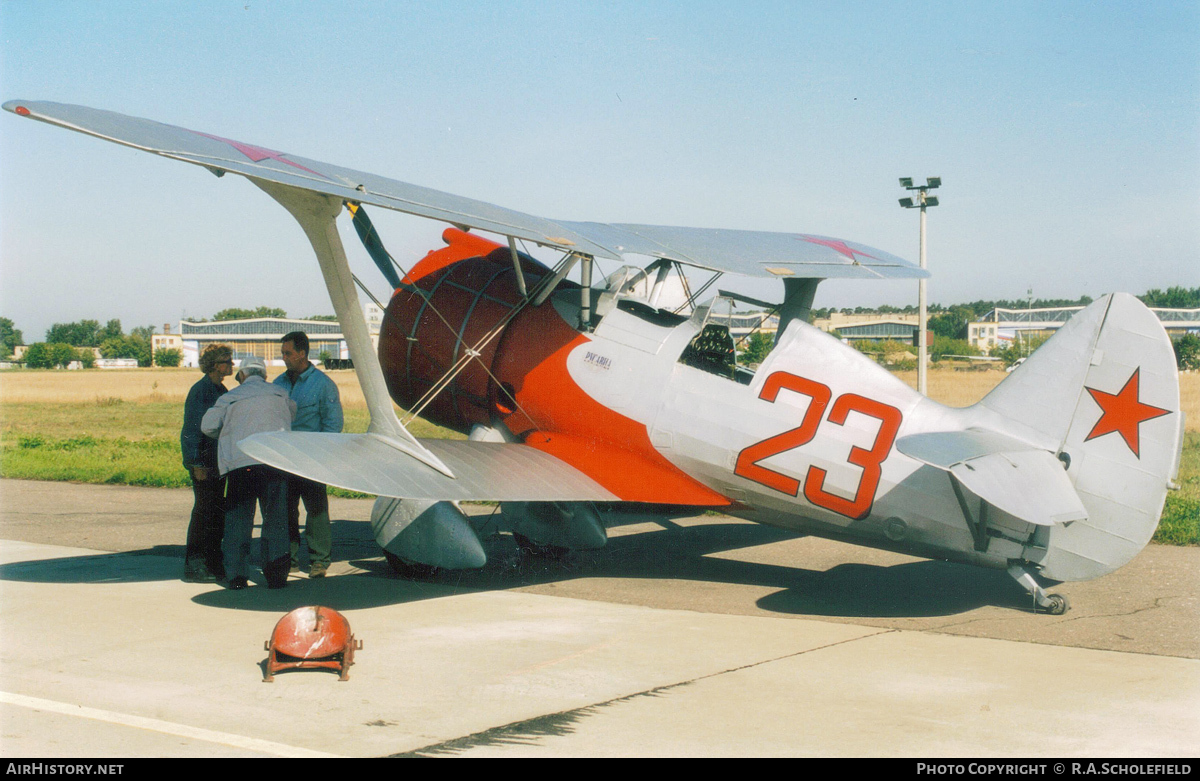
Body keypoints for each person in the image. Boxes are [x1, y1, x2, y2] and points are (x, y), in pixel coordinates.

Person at [201, 356, 296, 589]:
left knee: (238, 520)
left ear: (241, 375)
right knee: (276, 519)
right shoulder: (281, 394)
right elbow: (293, 415)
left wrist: (229, 432)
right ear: (264, 375)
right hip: (275, 463)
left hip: (241, 464)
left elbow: (207, 426)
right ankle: (276, 575)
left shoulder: (229, 397)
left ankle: (236, 575)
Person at [274, 331, 343, 578]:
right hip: (284, 458)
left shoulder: (323, 385)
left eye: (288, 353)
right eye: (282, 353)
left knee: (316, 510)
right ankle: (289, 559)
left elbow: (333, 425)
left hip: (312, 458)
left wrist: (324, 457)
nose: (283, 357)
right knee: (286, 509)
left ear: (302, 353)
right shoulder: (278, 384)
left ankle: (319, 561)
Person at [180, 344, 233, 582]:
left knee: (216, 512)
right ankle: (195, 563)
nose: (231, 364)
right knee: (204, 511)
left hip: (217, 461)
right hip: (204, 462)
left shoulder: (220, 389)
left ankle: (212, 561)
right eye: (226, 360)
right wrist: (195, 463)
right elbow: (191, 429)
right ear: (214, 365)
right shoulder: (201, 391)